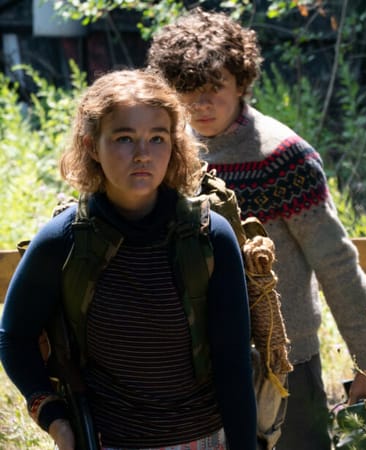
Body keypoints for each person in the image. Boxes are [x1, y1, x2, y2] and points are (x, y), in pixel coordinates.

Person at [146, 9, 366, 449]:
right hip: (188, 369)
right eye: (187, 89)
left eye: (213, 88)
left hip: (284, 364)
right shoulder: (158, 155)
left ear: (241, 83)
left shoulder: (282, 158)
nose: (200, 103)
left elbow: (335, 262)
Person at [0, 69, 257, 449]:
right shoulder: (63, 241)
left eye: (157, 138)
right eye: (124, 138)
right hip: (107, 440)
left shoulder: (209, 237)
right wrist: (55, 418)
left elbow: (234, 364)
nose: (142, 154)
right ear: (91, 145)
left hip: (205, 439)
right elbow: (14, 337)